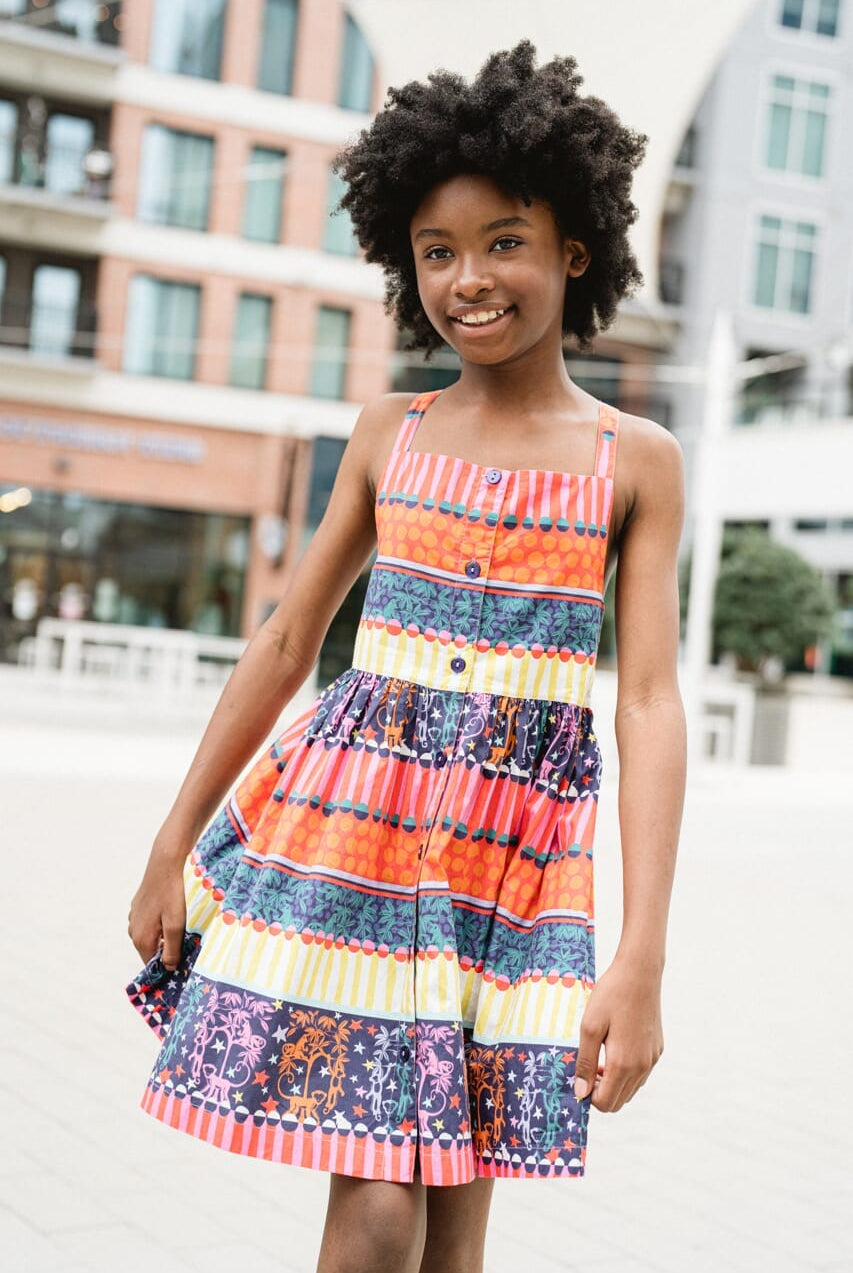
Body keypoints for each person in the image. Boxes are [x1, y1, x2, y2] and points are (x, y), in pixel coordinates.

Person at [127, 41, 686, 1273]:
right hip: (356, 846)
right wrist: (173, 837)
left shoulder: (632, 459)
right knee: (380, 1209)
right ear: (401, 262)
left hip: (516, 869)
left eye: (504, 241)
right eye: (437, 251)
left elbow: (646, 699)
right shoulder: (392, 432)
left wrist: (640, 950)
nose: (468, 279)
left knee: (452, 1226)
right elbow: (286, 642)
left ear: (572, 250)